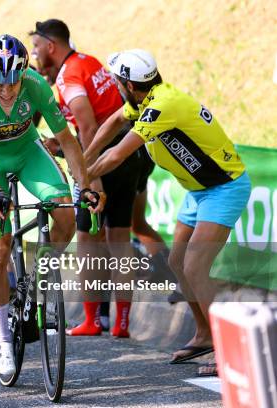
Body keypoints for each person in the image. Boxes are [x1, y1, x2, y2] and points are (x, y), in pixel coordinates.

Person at [86, 49, 250, 372]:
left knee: (195, 266)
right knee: (176, 261)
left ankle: (227, 348)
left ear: (127, 84)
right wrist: (83, 156)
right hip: (198, 190)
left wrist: (82, 176)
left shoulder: (163, 106)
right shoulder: (142, 100)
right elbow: (113, 122)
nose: (115, 86)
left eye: (116, 81)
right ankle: (203, 335)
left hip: (224, 188)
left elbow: (118, 154)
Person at [0, 34, 102, 376]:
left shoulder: (36, 86)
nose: (7, 91)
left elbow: (67, 140)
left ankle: (38, 276)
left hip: (27, 151)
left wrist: (83, 186)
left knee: (66, 214)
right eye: (0, 83)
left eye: (14, 83)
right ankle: (3, 338)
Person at [30, 19, 141, 337]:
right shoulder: (89, 61)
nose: (35, 54)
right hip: (127, 154)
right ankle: (121, 322)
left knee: (88, 242)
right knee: (119, 241)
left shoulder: (68, 75)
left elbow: (88, 126)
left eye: (37, 47)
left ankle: (92, 320)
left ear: (51, 45)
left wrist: (91, 177)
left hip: (101, 160)